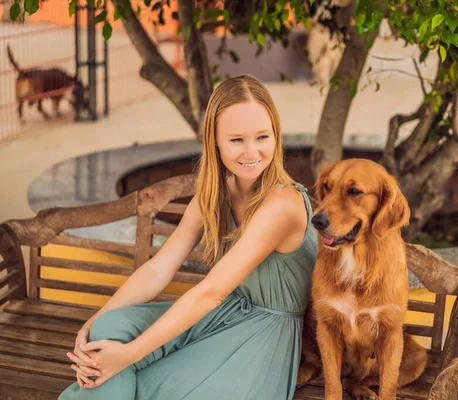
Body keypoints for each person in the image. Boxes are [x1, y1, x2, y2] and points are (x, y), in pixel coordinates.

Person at [59, 75, 317, 400]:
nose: (252, 152)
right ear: (215, 141)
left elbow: (211, 292)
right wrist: (90, 325)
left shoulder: (282, 204)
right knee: (106, 332)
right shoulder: (214, 194)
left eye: (262, 137)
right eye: (237, 139)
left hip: (263, 337)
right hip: (221, 314)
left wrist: (128, 355)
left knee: (133, 375)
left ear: (276, 137)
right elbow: (159, 269)